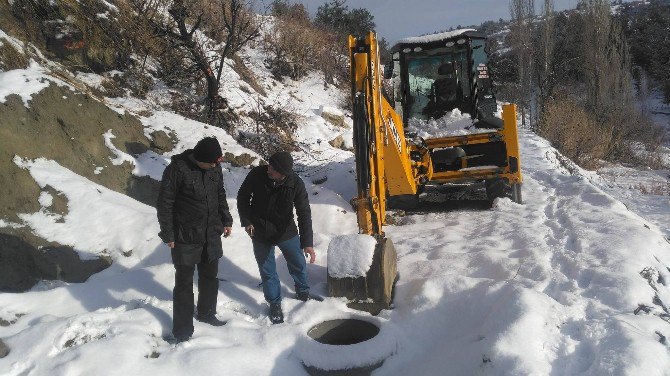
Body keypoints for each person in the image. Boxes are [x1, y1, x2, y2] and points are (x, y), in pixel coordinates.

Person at [157, 137, 233, 343]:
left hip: (211, 233)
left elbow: (220, 194)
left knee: (210, 277)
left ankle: (206, 313)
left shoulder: (214, 168)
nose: (215, 166)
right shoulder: (177, 170)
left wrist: (226, 219)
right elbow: (165, 203)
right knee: (184, 283)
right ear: (200, 159)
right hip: (185, 235)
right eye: (211, 162)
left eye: (217, 162)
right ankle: (182, 330)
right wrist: (168, 233)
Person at [236, 151, 316, 324]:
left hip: (285, 231)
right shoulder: (257, 174)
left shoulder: (296, 183)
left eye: (273, 169)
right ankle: (274, 304)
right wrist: (247, 221)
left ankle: (303, 292)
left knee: (298, 263)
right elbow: (242, 196)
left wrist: (307, 243)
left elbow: (304, 213)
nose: (268, 170)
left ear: (284, 173)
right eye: (269, 166)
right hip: (259, 231)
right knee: (267, 270)